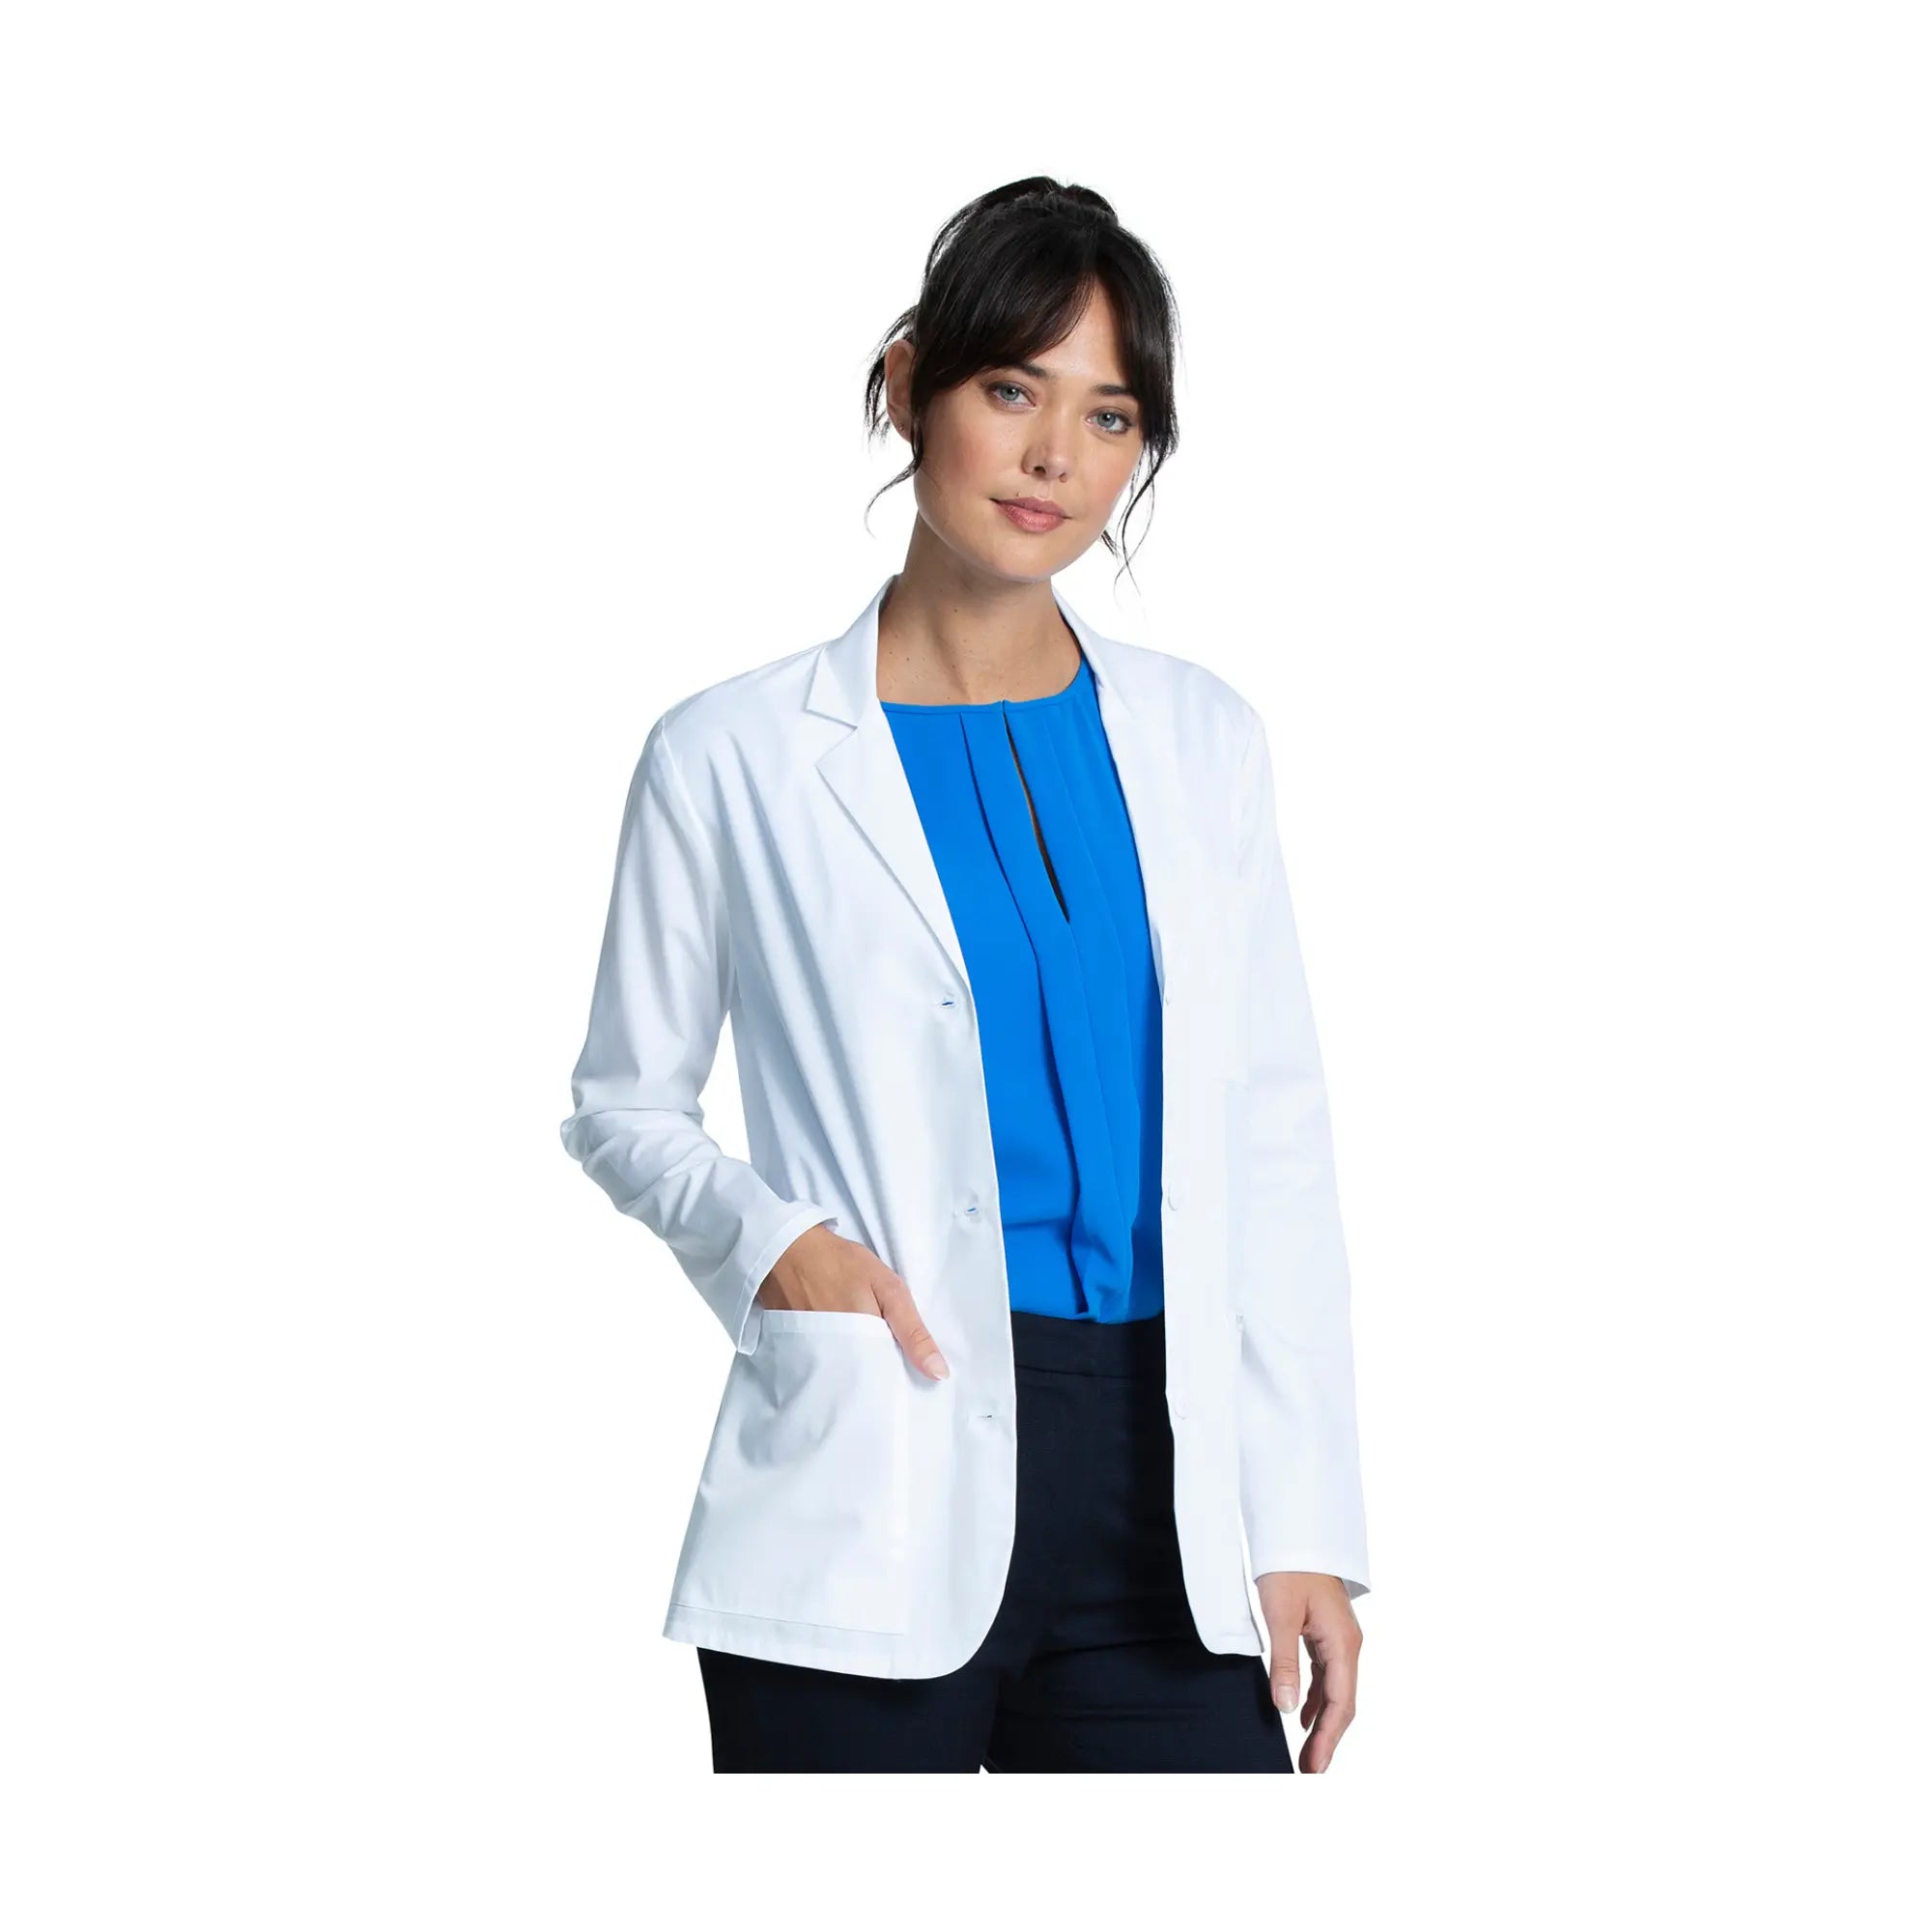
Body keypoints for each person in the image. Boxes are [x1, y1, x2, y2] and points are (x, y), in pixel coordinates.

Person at [558, 177, 1370, 1772]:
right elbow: (620, 1106)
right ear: (906, 384)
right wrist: (779, 1247)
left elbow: (1272, 1141)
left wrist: (1305, 1522)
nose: (1056, 454)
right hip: (877, 1458)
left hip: (1168, 1484)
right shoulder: (730, 756)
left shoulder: (1203, 741)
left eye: (1109, 415)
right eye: (1012, 389)